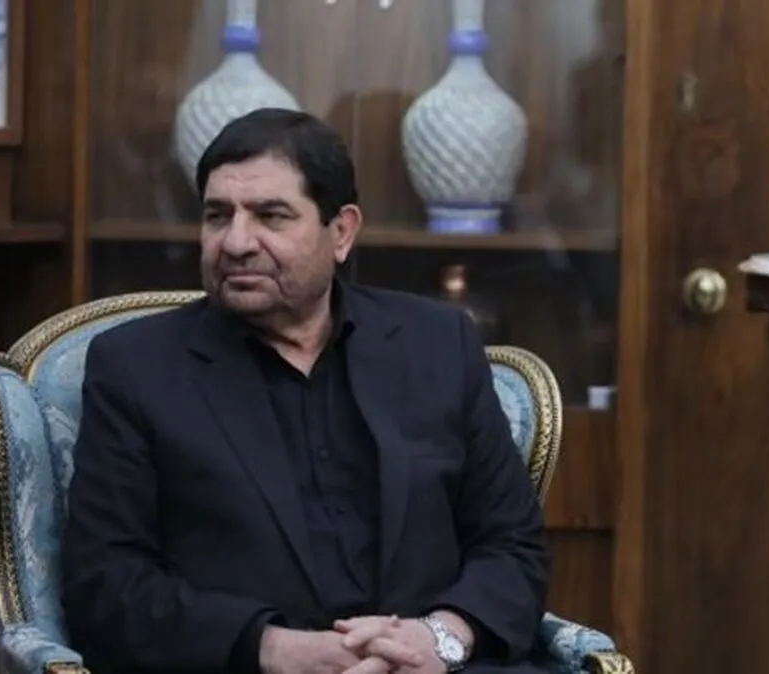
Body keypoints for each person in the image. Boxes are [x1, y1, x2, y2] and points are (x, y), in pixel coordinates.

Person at [60, 108, 550, 674]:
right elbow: (105, 583)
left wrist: (438, 639)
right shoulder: (137, 367)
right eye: (217, 216)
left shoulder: (438, 346)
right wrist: (275, 649)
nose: (236, 242)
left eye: (271, 216)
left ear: (341, 232)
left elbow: (513, 546)